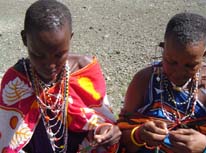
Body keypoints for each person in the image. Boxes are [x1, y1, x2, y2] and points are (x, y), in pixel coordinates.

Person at [0, 0, 121, 152]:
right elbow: (8, 142)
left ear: (70, 38)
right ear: (25, 39)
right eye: (38, 55)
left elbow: (104, 122)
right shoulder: (16, 81)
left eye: (59, 55)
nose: (50, 65)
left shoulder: (84, 71)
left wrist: (106, 131)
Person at [117, 12, 206, 153]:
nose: (179, 72)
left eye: (190, 65)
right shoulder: (143, 80)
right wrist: (138, 135)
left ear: (204, 56)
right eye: (171, 61)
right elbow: (120, 137)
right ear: (162, 49)